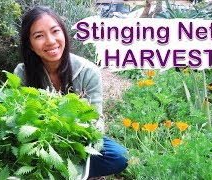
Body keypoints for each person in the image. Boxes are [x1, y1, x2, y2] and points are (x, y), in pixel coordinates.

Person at [13, 6, 128, 178]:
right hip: (39, 143)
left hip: (75, 142)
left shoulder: (88, 71)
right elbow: (18, 119)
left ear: (64, 33)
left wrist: (73, 140)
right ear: (29, 44)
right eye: (39, 36)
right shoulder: (22, 73)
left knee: (119, 157)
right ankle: (62, 170)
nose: (50, 41)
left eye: (55, 31)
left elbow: (96, 120)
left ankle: (57, 170)